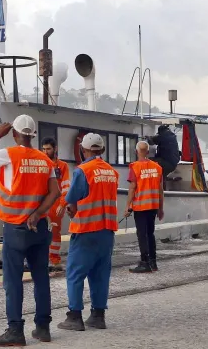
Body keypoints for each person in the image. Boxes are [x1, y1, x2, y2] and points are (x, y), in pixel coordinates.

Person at [0, 115, 60, 346]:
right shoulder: (45, 160)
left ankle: (15, 331)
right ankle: (43, 328)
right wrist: (36, 213)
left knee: (13, 281)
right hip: (40, 227)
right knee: (41, 277)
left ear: (14, 134)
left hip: (15, 227)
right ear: (33, 135)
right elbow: (55, 193)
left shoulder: (9, 154)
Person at [59, 133, 119, 332]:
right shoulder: (112, 172)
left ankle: (75, 316)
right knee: (100, 274)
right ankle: (98, 316)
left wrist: (69, 207)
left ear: (83, 150)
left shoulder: (82, 171)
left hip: (86, 230)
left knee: (75, 274)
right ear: (101, 150)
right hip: (107, 230)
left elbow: (73, 197)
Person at [125, 141, 164, 273]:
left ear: (136, 152)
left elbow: (132, 188)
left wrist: (127, 206)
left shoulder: (134, 167)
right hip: (153, 206)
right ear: (147, 152)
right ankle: (153, 262)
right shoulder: (157, 167)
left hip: (140, 207)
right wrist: (160, 208)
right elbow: (161, 190)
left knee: (142, 235)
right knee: (150, 234)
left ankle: (144, 262)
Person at [41, 137, 71, 272]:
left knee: (54, 233)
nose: (45, 152)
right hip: (41, 203)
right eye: (43, 149)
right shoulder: (41, 164)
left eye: (48, 149)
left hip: (55, 205)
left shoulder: (62, 166)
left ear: (55, 149)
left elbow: (66, 187)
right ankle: (40, 259)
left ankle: (54, 259)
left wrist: (63, 204)